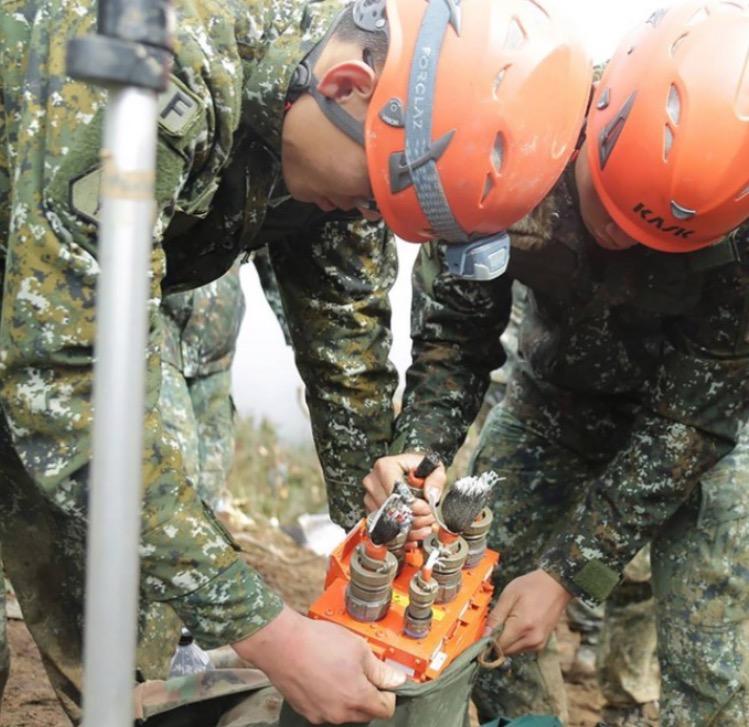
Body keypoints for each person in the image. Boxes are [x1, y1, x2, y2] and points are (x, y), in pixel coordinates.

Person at [0, 0, 591, 722]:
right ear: (345, 84)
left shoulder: (353, 144)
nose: (371, 220)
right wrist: (271, 633)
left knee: (126, 604)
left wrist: (382, 515)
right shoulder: (150, 68)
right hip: (49, 315)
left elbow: (346, 355)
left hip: (62, 316)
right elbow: (68, 380)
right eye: (376, 199)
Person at [364, 2, 749, 725]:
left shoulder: (739, 234)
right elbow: (456, 335)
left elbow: (690, 420)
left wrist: (570, 577)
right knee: (472, 591)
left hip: (695, 439)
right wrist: (422, 450)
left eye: (657, 239)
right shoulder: (516, 134)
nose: (623, 241)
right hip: (550, 406)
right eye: (606, 211)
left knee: (710, 657)